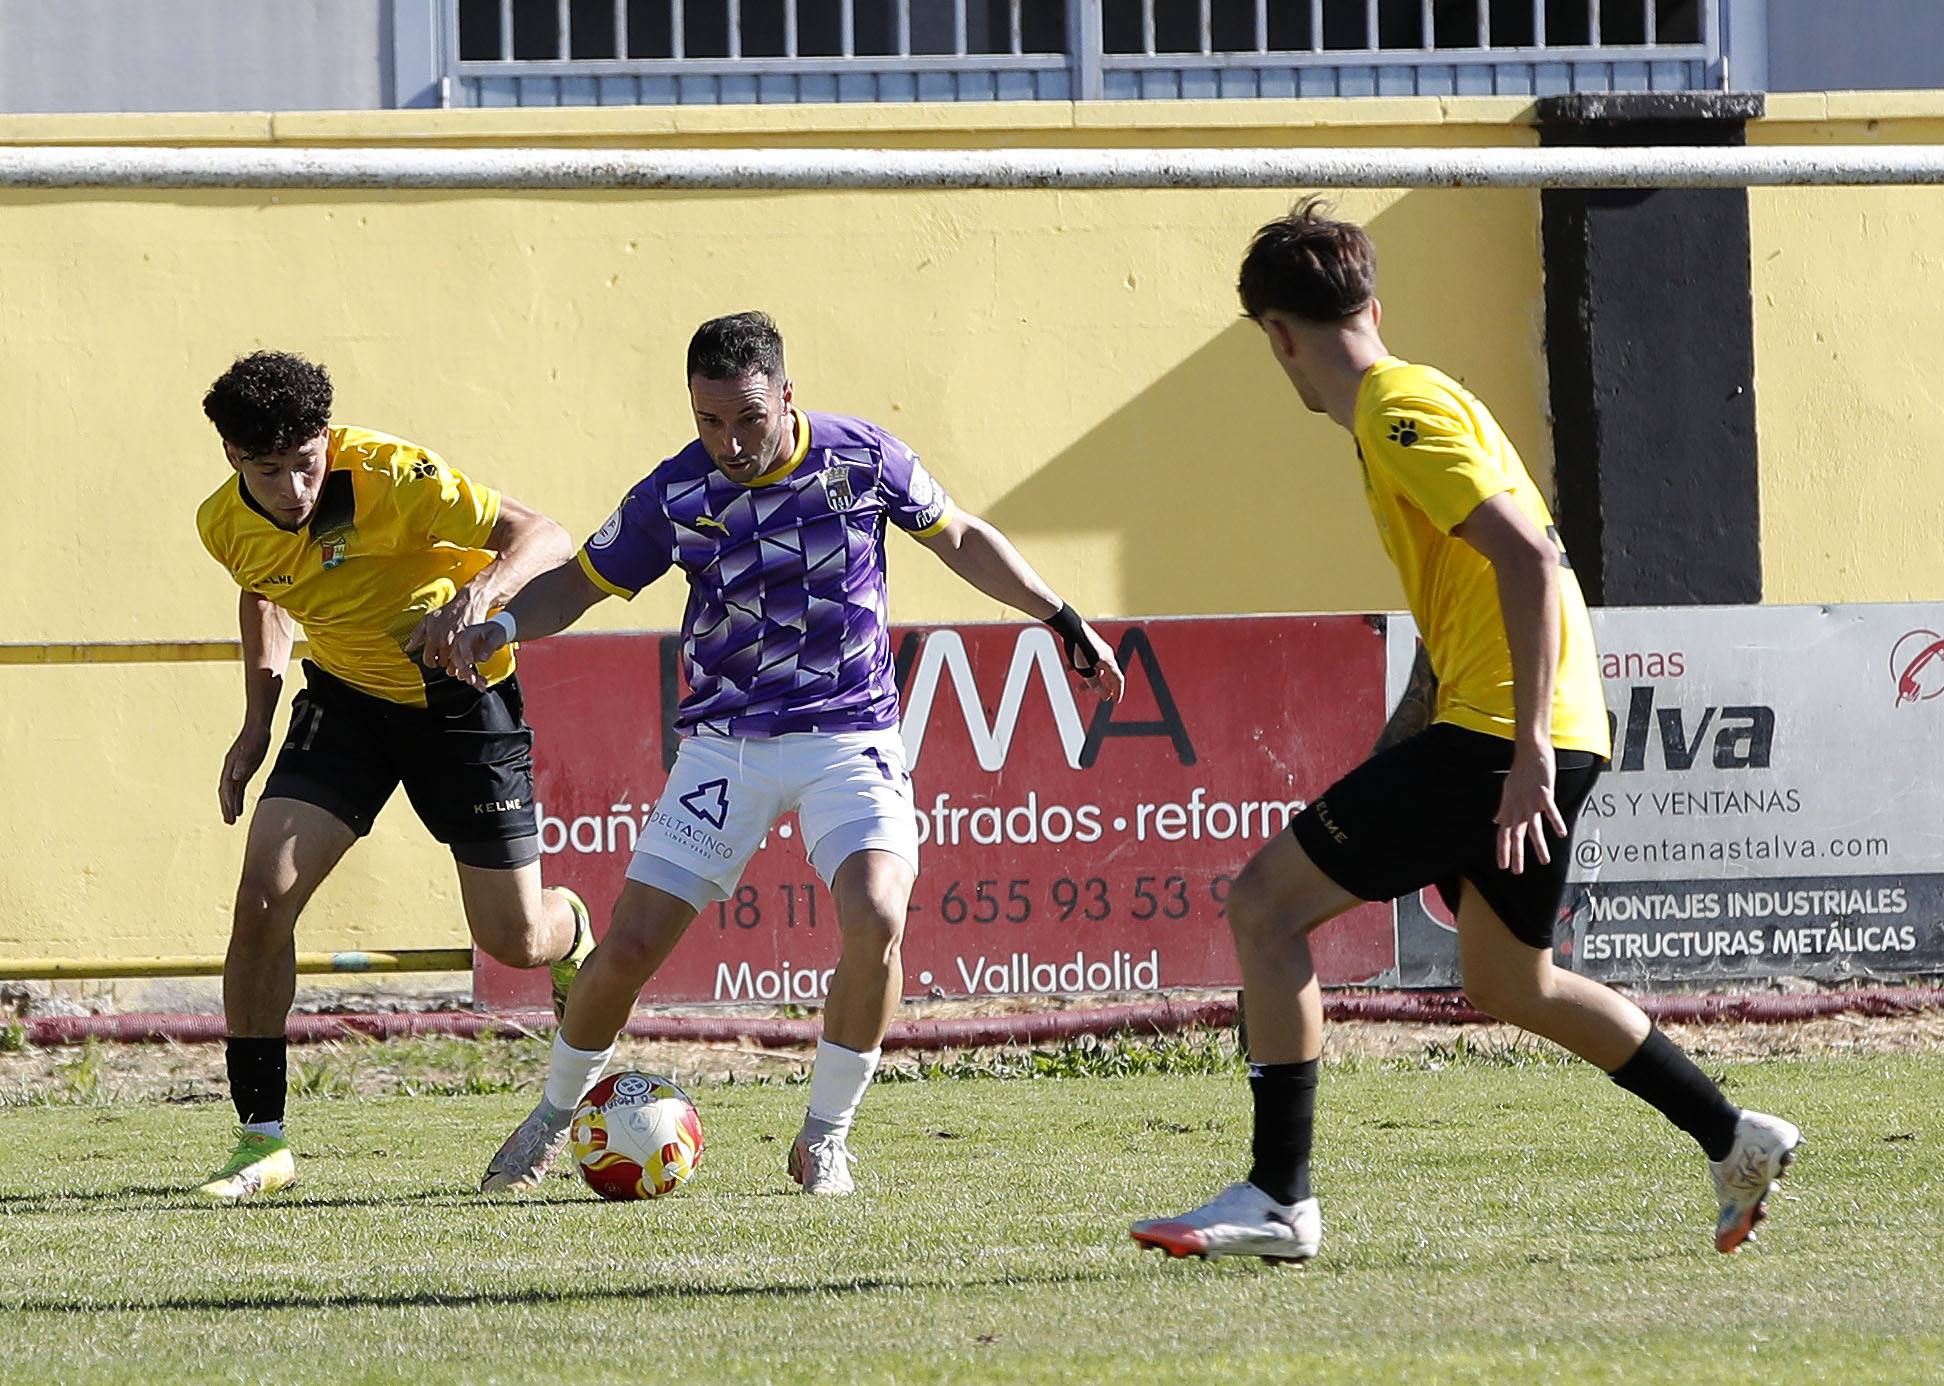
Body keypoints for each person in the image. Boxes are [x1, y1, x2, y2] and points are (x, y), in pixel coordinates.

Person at [1129, 200, 1798, 1262]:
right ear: (1374, 307)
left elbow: (1529, 558)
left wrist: (1520, 751)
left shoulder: (1395, 413)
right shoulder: (1421, 399)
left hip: (1505, 738)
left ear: (1278, 336)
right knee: (1508, 980)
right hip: (1540, 727)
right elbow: (1475, 588)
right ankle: (1731, 1135)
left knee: (1261, 908)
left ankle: (1278, 1197)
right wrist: (1419, 736)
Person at [450, 311, 1123, 1195]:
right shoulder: (675, 492)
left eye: (748, 419)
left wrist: (1059, 615)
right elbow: (581, 583)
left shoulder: (861, 456)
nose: (729, 442)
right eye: (709, 421)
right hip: (727, 746)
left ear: (787, 396)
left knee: (878, 917)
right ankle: (551, 1116)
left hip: (850, 737)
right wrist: (501, 624)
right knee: (629, 946)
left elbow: (957, 534)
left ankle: (825, 1138)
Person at [192, 350, 596, 1202]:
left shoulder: (393, 475)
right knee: (261, 901)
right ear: (234, 458)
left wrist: (474, 600)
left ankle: (574, 931)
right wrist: (256, 722)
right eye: (271, 471)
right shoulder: (220, 522)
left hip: (460, 701)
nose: (297, 489)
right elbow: (264, 592)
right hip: (344, 704)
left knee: (513, 940)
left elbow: (545, 536)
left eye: (308, 463)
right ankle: (261, 1142)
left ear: (326, 440)